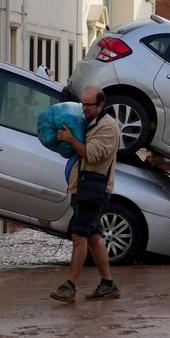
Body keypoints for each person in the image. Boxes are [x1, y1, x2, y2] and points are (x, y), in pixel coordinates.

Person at [50, 86, 120, 303]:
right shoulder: (89, 122)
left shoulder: (108, 128)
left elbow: (91, 155)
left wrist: (71, 139)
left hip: (94, 191)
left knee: (79, 235)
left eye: (89, 105)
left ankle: (70, 285)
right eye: (83, 104)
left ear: (101, 105)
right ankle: (108, 284)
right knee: (93, 236)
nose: (84, 108)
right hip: (83, 188)